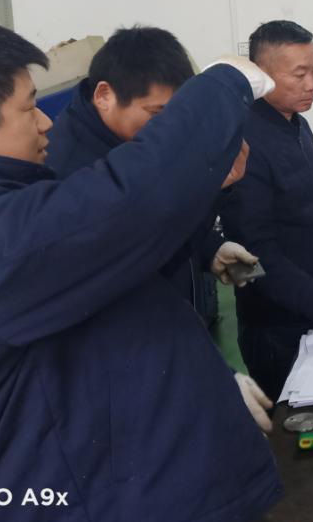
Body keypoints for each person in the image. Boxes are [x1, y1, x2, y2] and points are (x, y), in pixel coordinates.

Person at [0, 22, 282, 522]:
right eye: (28, 108)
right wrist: (221, 85)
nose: (45, 122)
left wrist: (210, 379)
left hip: (97, 497)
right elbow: (126, 203)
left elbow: (111, 270)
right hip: (48, 516)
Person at [48, 25, 259, 328]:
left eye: (177, 115)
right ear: (104, 95)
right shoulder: (71, 173)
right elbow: (145, 248)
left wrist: (209, 245)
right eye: (158, 114)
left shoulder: (136, 144)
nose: (170, 131)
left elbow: (166, 217)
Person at [222, 20, 313, 403]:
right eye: (299, 75)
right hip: (274, 328)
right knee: (291, 423)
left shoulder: (297, 125)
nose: (312, 84)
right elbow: (252, 254)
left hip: (308, 312)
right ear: (261, 76)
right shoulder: (245, 143)